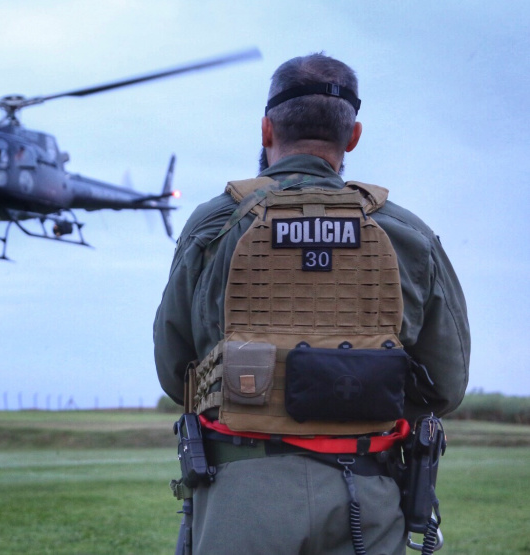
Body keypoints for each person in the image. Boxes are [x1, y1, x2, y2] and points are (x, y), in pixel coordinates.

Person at [154, 53, 470, 555]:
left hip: (239, 493)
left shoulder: (213, 226)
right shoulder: (407, 235)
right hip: (368, 495)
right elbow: (445, 385)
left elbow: (176, 374)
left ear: (265, 129)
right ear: (353, 137)